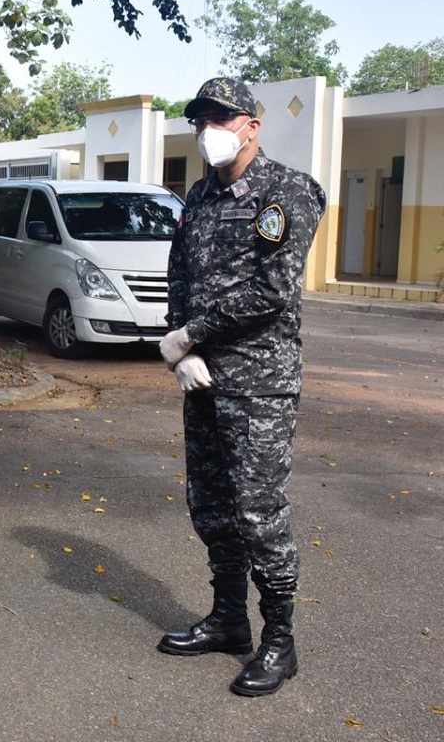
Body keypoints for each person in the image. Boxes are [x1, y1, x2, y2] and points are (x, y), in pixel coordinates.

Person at [157, 77, 326, 696]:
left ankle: (279, 642)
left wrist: (191, 333)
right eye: (200, 118)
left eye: (221, 118)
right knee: (210, 505)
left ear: (252, 125)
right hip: (202, 377)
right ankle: (229, 619)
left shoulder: (288, 192)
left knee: (259, 513)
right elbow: (180, 273)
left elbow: (271, 290)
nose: (209, 129)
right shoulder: (198, 195)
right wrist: (181, 347)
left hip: (259, 382)